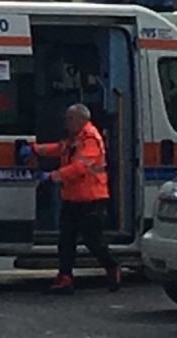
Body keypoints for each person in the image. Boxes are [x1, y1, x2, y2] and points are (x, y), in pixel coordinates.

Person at [19, 103, 121, 294]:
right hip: (72, 198)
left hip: (91, 199)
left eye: (69, 119)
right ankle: (65, 277)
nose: (66, 123)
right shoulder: (75, 138)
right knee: (66, 240)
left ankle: (111, 266)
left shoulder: (90, 139)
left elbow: (79, 168)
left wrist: (52, 176)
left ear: (80, 119)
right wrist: (35, 149)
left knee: (92, 240)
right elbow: (59, 148)